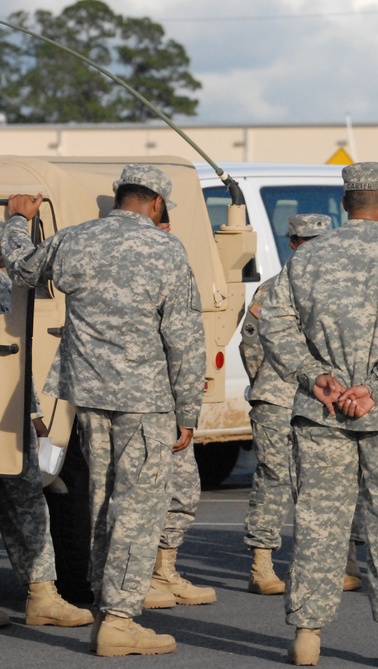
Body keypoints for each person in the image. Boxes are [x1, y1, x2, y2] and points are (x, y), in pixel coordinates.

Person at [1, 164, 206, 657]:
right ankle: (119, 620)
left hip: (87, 395)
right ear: (156, 203)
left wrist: (15, 219)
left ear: (119, 196)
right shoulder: (166, 249)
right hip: (146, 401)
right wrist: (188, 409)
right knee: (139, 508)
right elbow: (184, 336)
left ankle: (101, 602)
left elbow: (22, 268)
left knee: (101, 500)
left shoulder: (76, 239)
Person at [259, 162, 378, 667]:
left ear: (346, 204)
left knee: (320, 522)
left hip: (321, 413)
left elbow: (272, 323)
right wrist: (377, 388)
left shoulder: (306, 260)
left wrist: (312, 375)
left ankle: (308, 634)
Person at [239, 213, 331, 597]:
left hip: (322, 400)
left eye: (319, 242)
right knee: (275, 477)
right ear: (292, 244)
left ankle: (321, 563)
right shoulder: (272, 290)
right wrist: (270, 382)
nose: (312, 249)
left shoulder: (337, 291)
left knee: (322, 483)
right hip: (278, 397)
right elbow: (251, 342)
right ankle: (262, 563)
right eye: (305, 242)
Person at [0, 268, 94, 630]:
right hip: (10, 411)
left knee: (26, 499)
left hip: (10, 412)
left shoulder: (4, 283)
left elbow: (14, 354)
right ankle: (42, 595)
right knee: (26, 500)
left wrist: (34, 413)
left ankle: (42, 596)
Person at [142, 214, 217, 610]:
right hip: (143, 401)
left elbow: (186, 340)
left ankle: (163, 569)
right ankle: (138, 578)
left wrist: (187, 406)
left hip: (169, 400)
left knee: (183, 490)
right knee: (141, 493)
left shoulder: (173, 268)